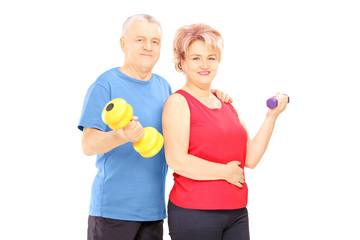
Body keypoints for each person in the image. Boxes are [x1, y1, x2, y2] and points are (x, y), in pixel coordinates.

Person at [78, 14, 235, 240]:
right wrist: (122, 135)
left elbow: (186, 120)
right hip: (112, 213)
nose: (148, 47)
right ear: (123, 43)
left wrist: (213, 96)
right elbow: (88, 145)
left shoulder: (163, 87)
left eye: (155, 41)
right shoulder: (105, 84)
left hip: (153, 212)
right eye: (140, 40)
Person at [162, 23, 288, 240]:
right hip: (194, 212)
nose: (204, 64)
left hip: (236, 212)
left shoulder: (226, 103)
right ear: (182, 62)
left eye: (211, 57)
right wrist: (225, 172)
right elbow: (177, 160)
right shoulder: (178, 102)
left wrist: (271, 117)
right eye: (196, 58)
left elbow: (250, 158)